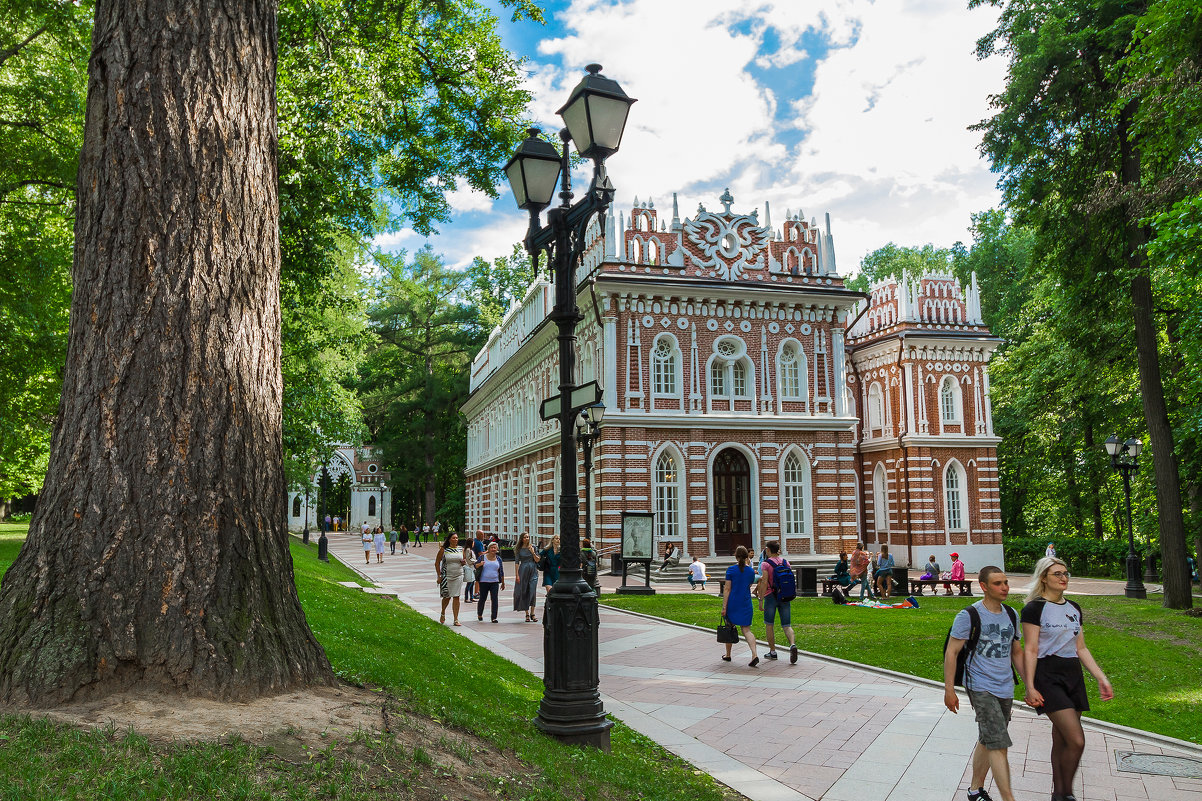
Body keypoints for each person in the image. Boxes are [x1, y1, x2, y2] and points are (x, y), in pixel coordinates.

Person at [1022, 557, 1113, 801]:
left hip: (1072, 674)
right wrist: (1030, 686)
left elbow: (1081, 648)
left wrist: (1100, 677)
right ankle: (1064, 794)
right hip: (1047, 675)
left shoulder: (1074, 607)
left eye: (1066, 573)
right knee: (1076, 740)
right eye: (1057, 574)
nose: (1064, 578)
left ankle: (1061, 794)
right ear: (1043, 578)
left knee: (1062, 739)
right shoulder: (1034, 609)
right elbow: (1029, 649)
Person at [944, 565, 1026, 801]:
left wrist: (1030, 686)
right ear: (983, 587)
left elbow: (1017, 652)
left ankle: (974, 790)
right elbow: (952, 653)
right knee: (999, 743)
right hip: (980, 686)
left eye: (1006, 582)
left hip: (1005, 686)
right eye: (998, 584)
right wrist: (949, 690)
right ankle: (1009, 798)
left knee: (988, 738)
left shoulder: (1012, 614)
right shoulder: (968, 616)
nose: (1004, 588)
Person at [757, 540, 798, 664]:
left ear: (768, 550)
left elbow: (764, 582)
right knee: (787, 625)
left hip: (770, 596)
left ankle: (773, 651)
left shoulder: (765, 564)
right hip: (785, 596)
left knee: (769, 624)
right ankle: (792, 644)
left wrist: (761, 599)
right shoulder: (786, 563)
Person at [721, 546, 760, 667]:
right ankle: (754, 654)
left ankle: (728, 654)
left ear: (736, 556)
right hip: (746, 602)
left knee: (729, 627)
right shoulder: (750, 571)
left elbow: (727, 589)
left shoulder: (731, 570)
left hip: (733, 602)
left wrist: (724, 607)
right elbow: (749, 585)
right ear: (747, 556)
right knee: (746, 630)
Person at [434, 532, 467, 626]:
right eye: (453, 538)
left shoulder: (461, 549)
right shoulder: (444, 550)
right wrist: (439, 575)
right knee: (447, 597)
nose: (455, 540)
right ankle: (443, 612)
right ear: (449, 539)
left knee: (456, 596)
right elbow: (437, 563)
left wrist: (463, 562)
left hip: (458, 575)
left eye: (456, 538)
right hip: (446, 576)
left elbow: (463, 561)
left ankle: (456, 619)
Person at [513, 532, 541, 622]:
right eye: (525, 537)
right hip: (523, 570)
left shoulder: (533, 547)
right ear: (522, 539)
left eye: (528, 537)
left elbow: (537, 560)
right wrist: (517, 575)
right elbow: (517, 562)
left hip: (533, 570)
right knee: (524, 590)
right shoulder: (519, 549)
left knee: (532, 590)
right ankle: (527, 614)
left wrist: (533, 552)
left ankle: (533, 613)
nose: (527, 539)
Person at [475, 541, 506, 622]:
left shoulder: (498, 559)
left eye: (495, 548)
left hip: (495, 582)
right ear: (488, 549)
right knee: (482, 598)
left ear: (497, 549)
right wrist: (480, 564)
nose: (493, 549)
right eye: (491, 548)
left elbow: (501, 571)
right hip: (483, 581)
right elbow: (475, 565)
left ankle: (494, 617)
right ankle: (480, 614)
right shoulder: (482, 557)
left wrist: (503, 582)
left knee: (494, 599)